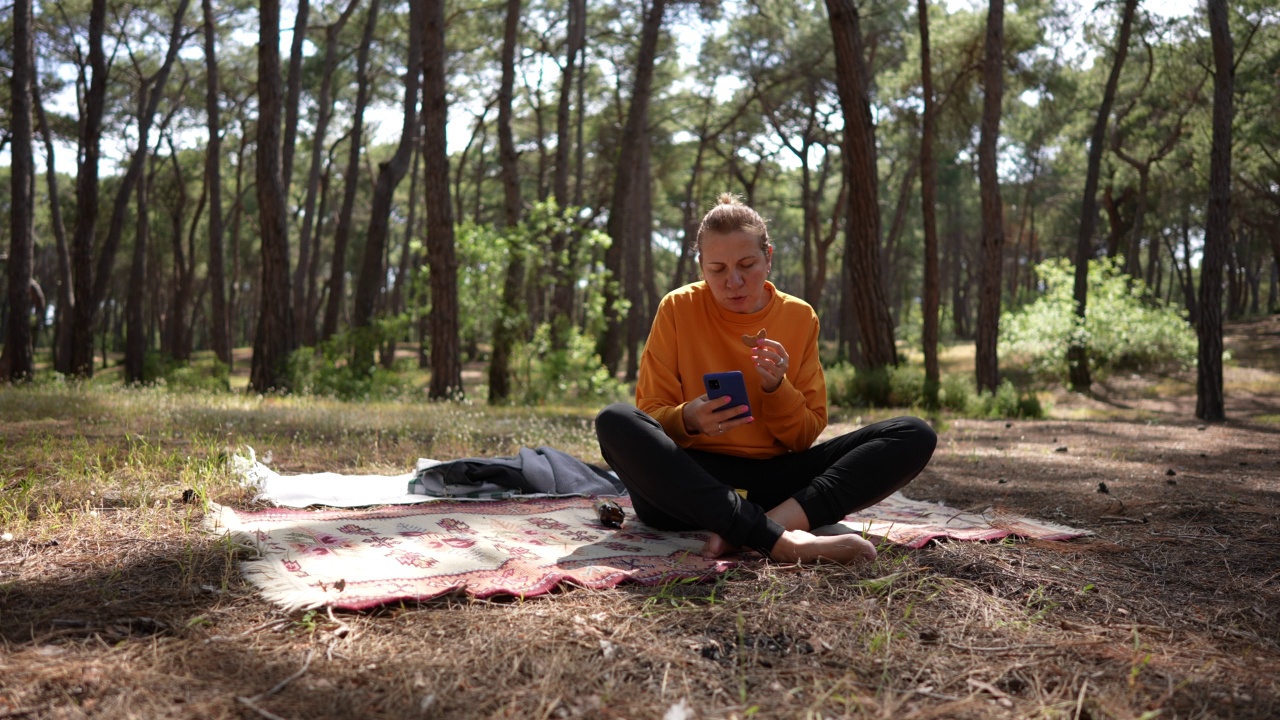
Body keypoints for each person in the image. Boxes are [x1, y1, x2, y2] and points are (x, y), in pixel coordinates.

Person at [595, 194, 937, 564]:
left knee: (913, 434)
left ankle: (760, 527)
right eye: (717, 269)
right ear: (701, 267)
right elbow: (651, 414)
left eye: (747, 264)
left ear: (769, 258)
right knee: (615, 420)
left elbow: (803, 435)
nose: (734, 281)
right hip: (692, 480)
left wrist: (778, 388)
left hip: (776, 484)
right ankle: (781, 542)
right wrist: (689, 418)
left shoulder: (799, 317)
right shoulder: (677, 308)